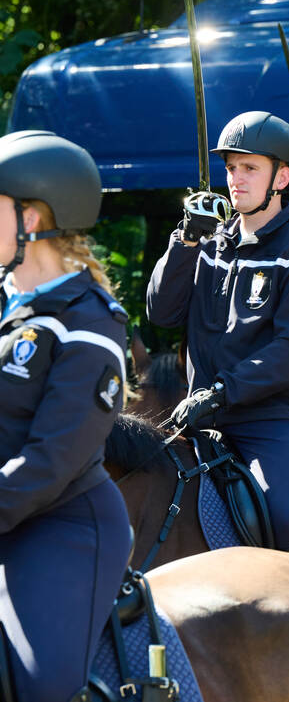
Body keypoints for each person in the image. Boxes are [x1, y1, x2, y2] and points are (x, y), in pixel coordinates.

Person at [147, 111, 289, 550]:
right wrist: (185, 241)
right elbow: (161, 312)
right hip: (202, 416)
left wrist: (221, 391)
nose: (236, 179)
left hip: (272, 419)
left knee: (285, 520)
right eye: (231, 168)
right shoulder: (209, 241)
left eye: (250, 168)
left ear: (281, 178)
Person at [0, 131, 132, 702]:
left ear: (33, 220)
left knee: (40, 685)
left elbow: (51, 461)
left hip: (61, 526)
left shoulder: (91, 323)